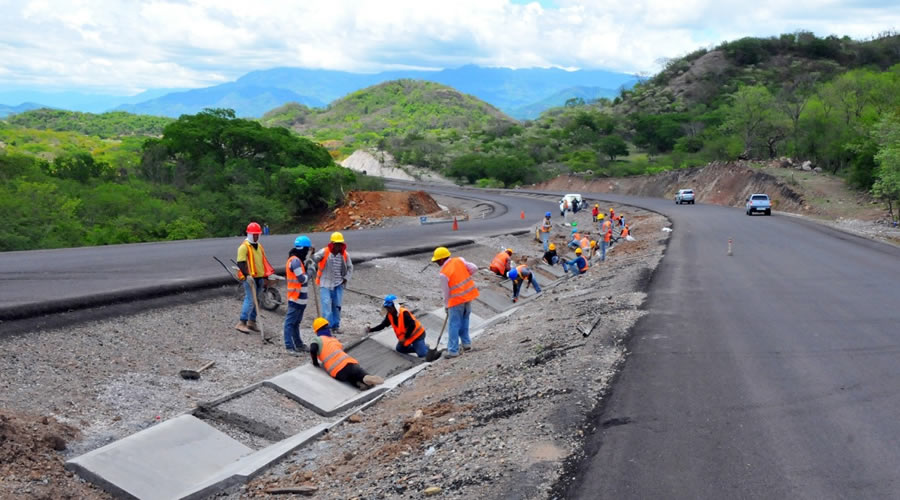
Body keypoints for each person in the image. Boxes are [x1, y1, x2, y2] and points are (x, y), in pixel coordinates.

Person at [431, 247, 479, 358]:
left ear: (442, 259)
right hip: (468, 297)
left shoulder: (443, 273)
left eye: (437, 261)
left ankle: (453, 350)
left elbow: (446, 292)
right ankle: (466, 344)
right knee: (465, 321)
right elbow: (474, 268)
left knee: (454, 325)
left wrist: (447, 306)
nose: (437, 263)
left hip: (456, 301)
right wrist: (465, 274)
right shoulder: (459, 260)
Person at [310, 318, 384, 389]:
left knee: (349, 378)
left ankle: (357, 384)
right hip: (349, 363)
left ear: (317, 331)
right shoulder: (334, 340)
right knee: (358, 373)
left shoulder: (317, 339)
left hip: (335, 371)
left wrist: (315, 363)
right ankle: (365, 378)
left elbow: (313, 349)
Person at [235, 221, 273, 334]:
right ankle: (242, 322)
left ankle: (252, 321)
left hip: (259, 277)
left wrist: (266, 276)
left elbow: (263, 262)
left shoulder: (259, 246)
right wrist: (247, 276)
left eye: (258, 235)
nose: (256, 236)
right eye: (254, 235)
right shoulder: (243, 247)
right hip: (250, 278)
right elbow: (240, 263)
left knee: (258, 299)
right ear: (250, 234)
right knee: (250, 299)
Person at [314, 232, 353, 333]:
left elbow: (350, 267)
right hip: (325, 284)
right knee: (326, 306)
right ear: (332, 243)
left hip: (338, 284)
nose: (338, 246)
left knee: (337, 306)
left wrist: (346, 278)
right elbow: (315, 258)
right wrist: (313, 255)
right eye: (336, 244)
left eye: (340, 244)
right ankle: (327, 327)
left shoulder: (345, 254)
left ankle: (335, 326)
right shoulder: (324, 252)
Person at [283, 235, 311, 355]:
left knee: (296, 323)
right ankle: (289, 347)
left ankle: (298, 345)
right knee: (290, 323)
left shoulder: (297, 260)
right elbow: (301, 279)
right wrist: (310, 273)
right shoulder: (295, 261)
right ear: (303, 249)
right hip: (296, 297)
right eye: (307, 250)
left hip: (300, 298)